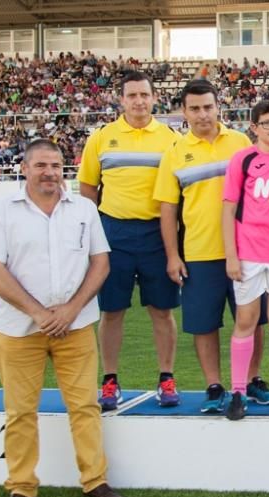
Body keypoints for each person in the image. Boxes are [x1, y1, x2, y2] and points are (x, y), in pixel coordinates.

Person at [0, 139, 126, 497]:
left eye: (57, 166)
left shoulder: (83, 209)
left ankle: (95, 480)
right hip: (18, 330)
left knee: (85, 406)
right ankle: (21, 486)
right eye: (41, 165)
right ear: (24, 169)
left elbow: (100, 263)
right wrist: (39, 312)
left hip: (75, 325)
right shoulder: (1, 212)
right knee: (20, 412)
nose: (50, 173)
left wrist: (71, 309)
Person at [78, 71, 182, 410]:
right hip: (114, 234)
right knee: (112, 311)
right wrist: (92, 234)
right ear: (121, 100)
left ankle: (166, 377)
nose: (139, 101)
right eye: (132, 95)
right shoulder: (101, 138)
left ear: (154, 99)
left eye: (144, 95)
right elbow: (88, 188)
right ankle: (110, 381)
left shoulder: (171, 138)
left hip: (157, 234)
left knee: (162, 311)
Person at [153, 80, 256, 414]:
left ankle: (253, 381)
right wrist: (172, 255)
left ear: (218, 107)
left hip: (245, 251)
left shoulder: (241, 142)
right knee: (204, 324)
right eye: (194, 108)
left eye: (208, 107)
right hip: (198, 254)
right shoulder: (174, 154)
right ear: (184, 112)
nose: (202, 114)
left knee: (253, 319)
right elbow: (167, 209)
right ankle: (214, 385)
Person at [221, 100, 269, 419]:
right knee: (245, 322)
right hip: (249, 253)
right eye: (268, 123)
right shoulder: (242, 159)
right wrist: (232, 256)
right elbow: (227, 209)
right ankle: (238, 392)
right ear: (254, 127)